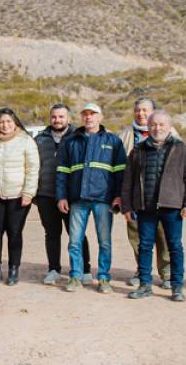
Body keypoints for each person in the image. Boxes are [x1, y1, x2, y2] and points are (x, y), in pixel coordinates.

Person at [122, 110, 186, 302]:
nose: (157, 128)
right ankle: (145, 285)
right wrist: (127, 207)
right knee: (145, 246)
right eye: (153, 125)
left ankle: (177, 287)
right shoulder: (138, 151)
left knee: (175, 247)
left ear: (169, 126)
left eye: (161, 124)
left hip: (172, 207)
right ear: (148, 128)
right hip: (145, 207)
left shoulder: (183, 150)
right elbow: (128, 181)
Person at [56, 103, 126, 294]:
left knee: (104, 241)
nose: (88, 117)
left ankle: (103, 278)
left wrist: (118, 196)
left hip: (103, 199)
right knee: (74, 241)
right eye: (85, 114)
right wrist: (61, 196)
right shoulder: (71, 142)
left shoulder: (113, 141)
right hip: (78, 200)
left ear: (100, 117)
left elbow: (120, 173)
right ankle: (76, 277)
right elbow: (62, 172)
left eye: (92, 114)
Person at [34, 104, 92, 285]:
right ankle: (53, 269)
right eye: (54, 117)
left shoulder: (78, 137)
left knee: (77, 233)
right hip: (46, 194)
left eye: (61, 117)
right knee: (51, 233)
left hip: (72, 195)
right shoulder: (40, 139)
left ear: (68, 118)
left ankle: (85, 269)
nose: (57, 120)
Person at [118, 98, 171, 288]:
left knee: (164, 236)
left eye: (145, 110)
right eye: (138, 110)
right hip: (135, 198)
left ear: (153, 111)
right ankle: (142, 271)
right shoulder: (125, 136)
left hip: (163, 198)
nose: (141, 114)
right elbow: (118, 169)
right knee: (137, 238)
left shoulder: (170, 134)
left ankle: (167, 274)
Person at [0, 108, 40, 285]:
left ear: (15, 122)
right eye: (1, 122)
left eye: (9, 121)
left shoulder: (26, 141)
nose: (5, 125)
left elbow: (33, 168)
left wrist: (28, 192)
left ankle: (13, 269)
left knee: (15, 233)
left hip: (18, 195)